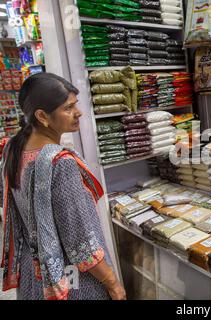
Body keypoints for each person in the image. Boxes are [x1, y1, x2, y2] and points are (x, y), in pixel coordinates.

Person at [1, 73, 126, 300]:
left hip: (34, 274)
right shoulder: (60, 163)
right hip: (71, 281)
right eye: (68, 108)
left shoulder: (13, 149)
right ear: (42, 116)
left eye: (75, 105)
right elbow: (80, 243)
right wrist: (112, 282)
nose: (77, 113)